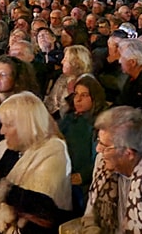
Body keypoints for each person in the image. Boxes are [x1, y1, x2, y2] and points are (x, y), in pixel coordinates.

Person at [0, 91, 73, 233]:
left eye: (8, 125)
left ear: (25, 126)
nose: (2, 131)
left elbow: (42, 208)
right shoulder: (8, 149)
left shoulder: (54, 151)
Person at [58, 74, 106, 212]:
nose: (77, 99)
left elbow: (100, 158)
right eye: (76, 94)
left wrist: (82, 176)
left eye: (84, 95)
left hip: (84, 183)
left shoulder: (99, 124)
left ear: (94, 98)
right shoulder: (68, 119)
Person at [44, 44, 92, 118]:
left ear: (76, 63)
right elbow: (50, 104)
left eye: (66, 59)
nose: (62, 62)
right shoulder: (63, 78)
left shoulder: (87, 83)